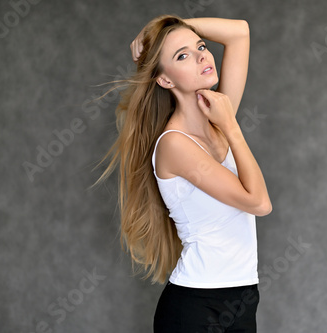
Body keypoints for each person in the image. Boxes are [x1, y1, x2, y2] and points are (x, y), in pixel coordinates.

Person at [96, 14, 271, 332]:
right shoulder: (175, 145)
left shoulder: (216, 120)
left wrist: (166, 28)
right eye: (183, 55)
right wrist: (231, 125)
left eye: (201, 46)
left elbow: (240, 32)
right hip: (195, 307)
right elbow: (259, 203)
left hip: (243, 296)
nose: (203, 55)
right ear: (165, 80)